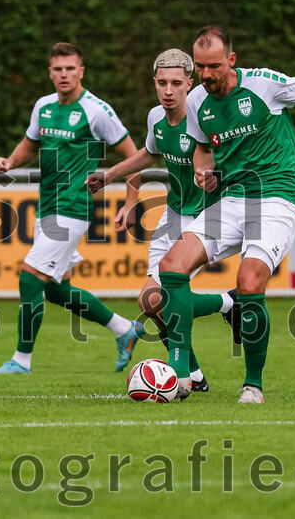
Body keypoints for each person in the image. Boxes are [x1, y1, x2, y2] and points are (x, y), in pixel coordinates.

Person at [159, 26, 295, 403]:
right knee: (172, 267)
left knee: (249, 282)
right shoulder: (196, 101)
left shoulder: (264, 84)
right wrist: (202, 170)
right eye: (200, 67)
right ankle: (180, 374)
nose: (206, 74)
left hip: (278, 195)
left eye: (214, 66)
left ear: (231, 60)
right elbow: (202, 148)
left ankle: (253, 385)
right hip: (233, 198)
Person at [0, 42, 145, 375]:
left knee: (30, 278)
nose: (64, 75)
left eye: (70, 69)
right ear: (50, 72)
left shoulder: (96, 110)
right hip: (47, 206)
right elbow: (30, 143)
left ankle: (21, 360)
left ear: (81, 71)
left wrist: (131, 203)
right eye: (58, 69)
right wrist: (10, 161)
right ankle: (124, 328)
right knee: (56, 289)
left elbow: (134, 156)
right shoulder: (43, 106)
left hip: (74, 207)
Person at [86, 48, 236, 393]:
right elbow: (149, 153)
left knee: (160, 296)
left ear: (190, 83)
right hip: (173, 215)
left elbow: (230, 158)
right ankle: (195, 372)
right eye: (162, 83)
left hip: (206, 218)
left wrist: (214, 175)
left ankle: (224, 309)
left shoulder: (207, 117)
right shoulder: (156, 117)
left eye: (176, 83)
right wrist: (110, 175)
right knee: (150, 303)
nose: (168, 91)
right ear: (154, 82)